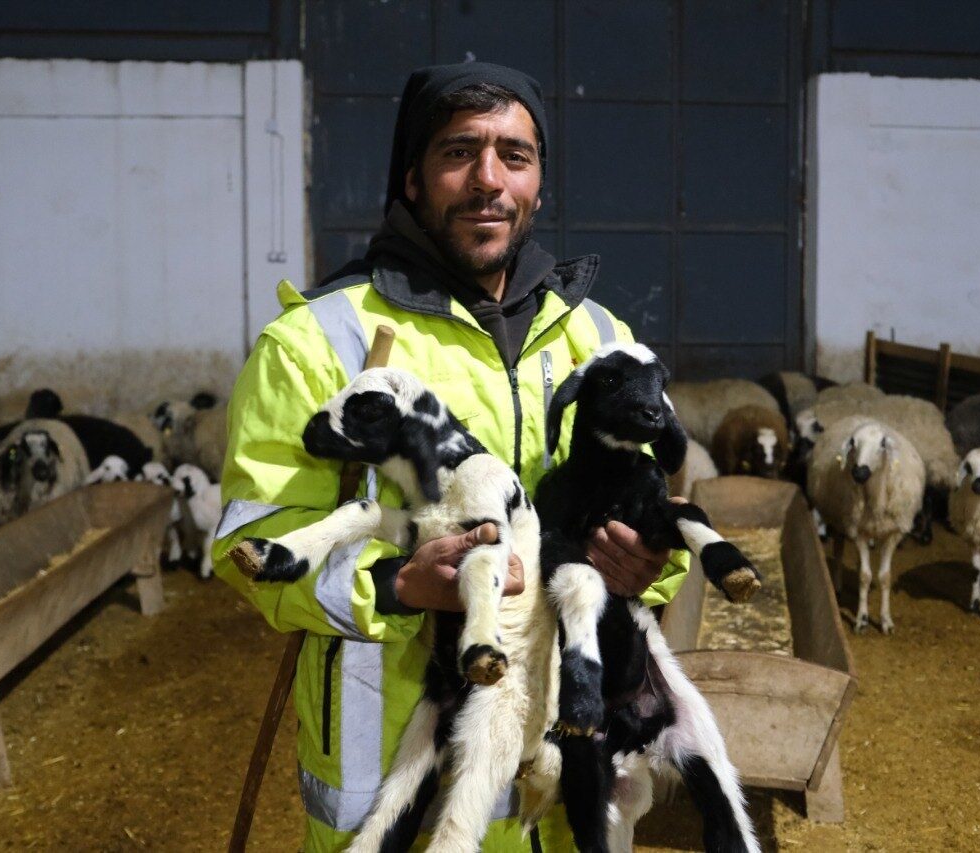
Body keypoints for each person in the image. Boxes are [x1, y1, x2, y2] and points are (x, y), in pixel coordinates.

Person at [213, 62, 689, 851]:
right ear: (411, 176)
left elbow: (657, 510)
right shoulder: (318, 345)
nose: (487, 180)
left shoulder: (599, 341)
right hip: (402, 782)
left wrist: (645, 562)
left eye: (514, 155)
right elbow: (252, 543)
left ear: (539, 183)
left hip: (561, 777)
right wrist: (395, 583)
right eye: (459, 152)